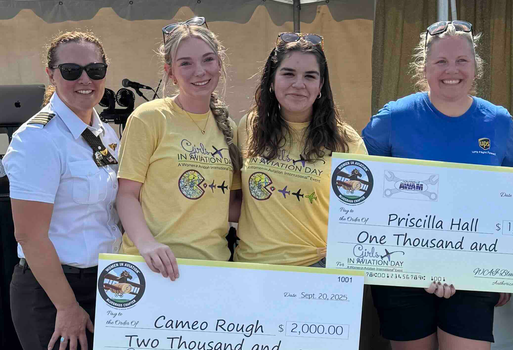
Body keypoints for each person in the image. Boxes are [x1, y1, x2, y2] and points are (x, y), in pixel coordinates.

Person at [362, 20, 513, 350]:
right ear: (424, 67)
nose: (452, 70)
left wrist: (505, 271)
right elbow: (364, 193)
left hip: (474, 270)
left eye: (462, 60)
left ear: (476, 67)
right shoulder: (393, 118)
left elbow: (510, 202)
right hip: (403, 269)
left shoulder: (499, 122)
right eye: (441, 61)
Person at [3, 31, 121, 350]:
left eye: (95, 70)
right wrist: (67, 307)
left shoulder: (106, 133)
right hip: (54, 293)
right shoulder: (37, 139)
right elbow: (29, 235)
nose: (85, 79)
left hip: (106, 285)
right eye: (71, 71)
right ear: (51, 74)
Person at [116, 18, 242, 280]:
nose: (200, 71)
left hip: (212, 268)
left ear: (219, 64)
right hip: (152, 269)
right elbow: (126, 195)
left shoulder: (229, 127)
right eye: (185, 63)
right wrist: (147, 244)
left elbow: (229, 205)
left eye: (208, 60)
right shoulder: (149, 117)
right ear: (170, 72)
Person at [234, 32, 367, 267]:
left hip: (316, 268)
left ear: (321, 85)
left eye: (310, 76)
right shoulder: (249, 126)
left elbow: (364, 214)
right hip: (251, 268)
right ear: (272, 80)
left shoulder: (346, 141)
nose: (298, 84)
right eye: (288, 74)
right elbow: (234, 200)